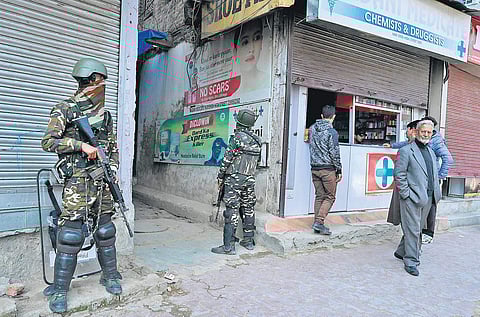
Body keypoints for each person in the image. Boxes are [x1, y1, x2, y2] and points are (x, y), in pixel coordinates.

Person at [41, 58, 122, 313]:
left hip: (103, 180)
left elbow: (111, 146)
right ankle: (60, 290)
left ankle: (110, 276)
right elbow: (49, 142)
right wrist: (80, 146)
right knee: (71, 234)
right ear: (91, 79)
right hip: (78, 181)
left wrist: (114, 169)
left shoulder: (104, 114)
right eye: (101, 81)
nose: (103, 86)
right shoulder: (65, 109)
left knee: (106, 230)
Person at [393, 120, 441, 276]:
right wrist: (406, 195)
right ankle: (411, 261)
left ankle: (401, 251)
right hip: (412, 198)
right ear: (417, 132)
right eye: (423, 131)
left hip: (428, 197)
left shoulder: (431, 152)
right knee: (414, 230)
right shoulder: (406, 151)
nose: (426, 134)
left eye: (429, 132)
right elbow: (399, 175)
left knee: (417, 228)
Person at [212, 109, 262, 254]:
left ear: (239, 121)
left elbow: (227, 159)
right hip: (249, 178)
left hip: (234, 179)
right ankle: (248, 241)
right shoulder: (257, 140)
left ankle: (228, 246)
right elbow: (257, 162)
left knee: (231, 210)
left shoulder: (237, 138)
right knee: (248, 208)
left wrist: (221, 176)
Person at [308, 105, 342, 235]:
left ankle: (316, 223)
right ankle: (319, 222)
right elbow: (334, 153)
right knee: (330, 196)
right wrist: (339, 170)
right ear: (333, 117)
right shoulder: (332, 132)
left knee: (319, 196)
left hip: (314, 168)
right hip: (328, 169)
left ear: (322, 116)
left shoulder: (312, 129)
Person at [420, 115, 453, 244]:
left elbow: (448, 159)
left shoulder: (436, 141)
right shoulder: (424, 139)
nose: (426, 131)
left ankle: (428, 233)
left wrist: (439, 176)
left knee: (431, 206)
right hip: (424, 178)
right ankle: (422, 232)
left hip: (432, 179)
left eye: (428, 128)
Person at [387, 120, 421, 226]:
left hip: (415, 190)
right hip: (407, 190)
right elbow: (399, 173)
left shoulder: (425, 148)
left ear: (412, 130)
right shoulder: (407, 147)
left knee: (412, 222)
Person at [233, 19, 269, 93]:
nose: (251, 49)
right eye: (245, 42)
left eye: (256, 38)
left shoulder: (271, 82)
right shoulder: (235, 97)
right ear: (235, 53)